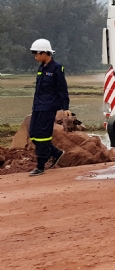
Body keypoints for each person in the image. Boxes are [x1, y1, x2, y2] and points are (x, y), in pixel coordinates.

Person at [28, 39, 68, 176]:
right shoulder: (42, 68)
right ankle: (56, 153)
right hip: (38, 106)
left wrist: (65, 107)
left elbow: (62, 89)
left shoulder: (56, 68)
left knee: (42, 136)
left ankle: (40, 166)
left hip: (49, 106)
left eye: (36, 53)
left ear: (45, 53)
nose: (35, 56)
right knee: (33, 134)